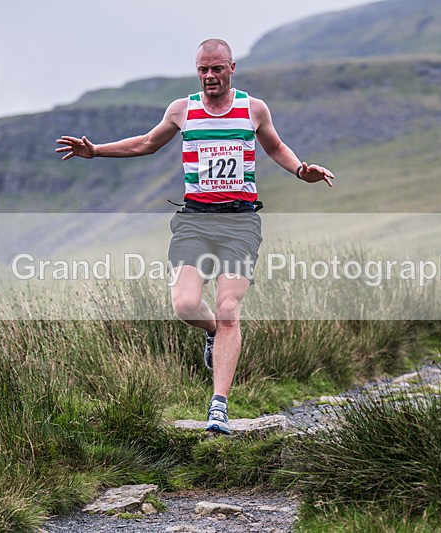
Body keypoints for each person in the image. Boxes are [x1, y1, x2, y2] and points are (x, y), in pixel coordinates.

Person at [55, 38, 334, 434]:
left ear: (231, 68)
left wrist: (301, 170)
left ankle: (218, 406)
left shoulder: (253, 109)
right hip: (194, 221)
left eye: (216, 69)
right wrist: (96, 151)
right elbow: (147, 143)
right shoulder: (182, 110)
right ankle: (211, 335)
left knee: (228, 310)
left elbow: (275, 146)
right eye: (202, 69)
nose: (209, 77)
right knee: (186, 304)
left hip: (240, 221)